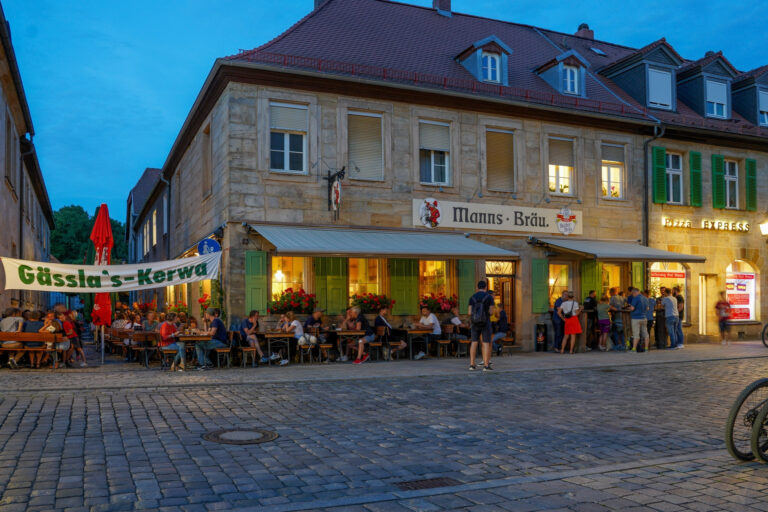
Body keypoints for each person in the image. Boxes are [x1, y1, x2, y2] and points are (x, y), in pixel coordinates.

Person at [468, 280, 494, 371]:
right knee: (486, 342)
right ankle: (486, 365)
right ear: (486, 287)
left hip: (475, 323)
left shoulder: (472, 297)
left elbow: (469, 312)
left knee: (474, 342)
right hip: (485, 322)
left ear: (477, 287)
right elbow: (491, 312)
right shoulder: (489, 297)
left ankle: (472, 364)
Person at [627, 288, 649, 353]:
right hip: (644, 318)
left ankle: (634, 349)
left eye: (632, 294)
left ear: (634, 293)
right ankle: (646, 349)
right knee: (645, 334)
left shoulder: (635, 298)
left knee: (636, 334)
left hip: (636, 318)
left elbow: (632, 308)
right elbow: (647, 308)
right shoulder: (645, 298)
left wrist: (629, 308)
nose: (633, 295)